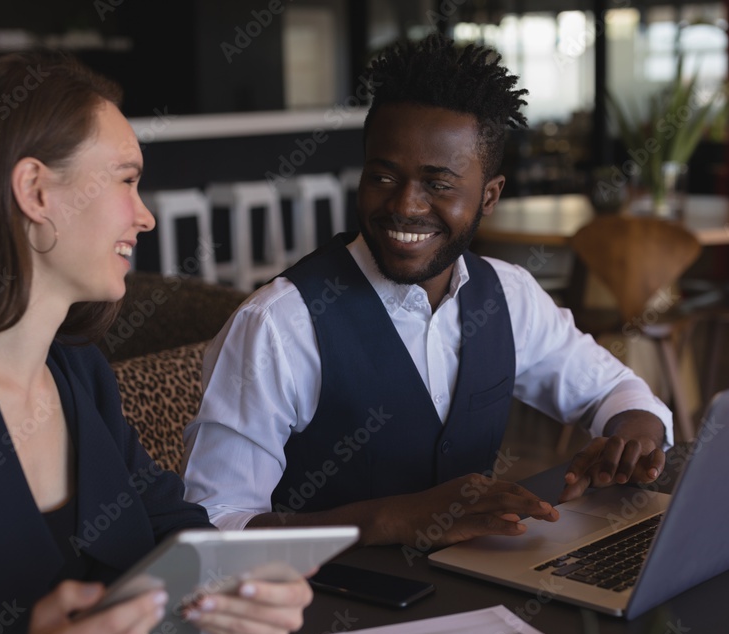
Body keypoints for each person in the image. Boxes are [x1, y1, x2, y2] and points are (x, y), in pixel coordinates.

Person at [0, 52, 310, 634]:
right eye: (126, 179)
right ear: (35, 191)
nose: (146, 215)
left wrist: (236, 588)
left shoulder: (78, 374)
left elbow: (173, 528)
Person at [182, 33, 673, 548]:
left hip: (478, 590)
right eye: (383, 176)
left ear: (489, 196)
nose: (406, 206)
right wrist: (389, 520)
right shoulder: (278, 324)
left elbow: (618, 393)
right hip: (326, 609)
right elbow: (213, 531)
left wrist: (632, 438)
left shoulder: (508, 295)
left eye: (438, 183)